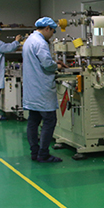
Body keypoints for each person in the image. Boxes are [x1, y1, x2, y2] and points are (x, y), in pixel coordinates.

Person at [22, 17, 64, 163]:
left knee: (33, 121)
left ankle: (34, 152)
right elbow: (46, 63)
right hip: (41, 88)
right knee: (49, 120)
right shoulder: (40, 43)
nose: (52, 35)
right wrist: (57, 66)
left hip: (32, 89)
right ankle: (43, 154)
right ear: (47, 28)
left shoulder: (29, 40)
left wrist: (53, 62)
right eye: (52, 31)